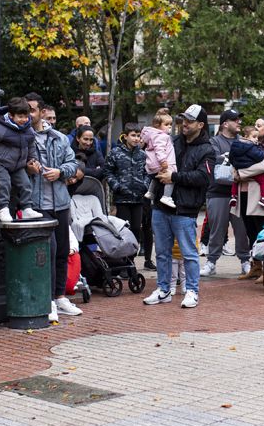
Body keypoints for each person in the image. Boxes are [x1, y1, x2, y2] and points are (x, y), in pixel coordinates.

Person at [142, 104, 214, 309]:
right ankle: (164, 290)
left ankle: (192, 291)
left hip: (185, 208)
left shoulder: (207, 149)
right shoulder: (172, 140)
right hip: (161, 205)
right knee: (162, 253)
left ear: (200, 124)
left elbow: (204, 177)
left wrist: (173, 176)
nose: (184, 124)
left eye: (189, 121)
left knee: (189, 253)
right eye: (183, 120)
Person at [23, 93, 83, 321]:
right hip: (37, 204)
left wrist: (60, 172)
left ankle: (60, 296)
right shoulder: (22, 138)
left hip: (60, 201)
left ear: (41, 112)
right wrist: (27, 169)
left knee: (62, 250)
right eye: (25, 110)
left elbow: (72, 164)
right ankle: (46, 300)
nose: (28, 115)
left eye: (32, 110)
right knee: (47, 251)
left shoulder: (58, 138)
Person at [0, 97, 43, 224]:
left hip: (18, 165)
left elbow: (30, 145)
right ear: (11, 115)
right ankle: (3, 208)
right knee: (5, 183)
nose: (24, 120)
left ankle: (26, 208)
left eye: (26, 116)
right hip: (1, 162)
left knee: (26, 184)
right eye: (20, 117)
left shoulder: (28, 129)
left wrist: (32, 159)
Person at [233, 117, 264, 277]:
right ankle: (256, 266)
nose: (256, 128)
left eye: (259, 125)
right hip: (245, 195)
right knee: (250, 232)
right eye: (255, 125)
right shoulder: (248, 145)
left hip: (262, 197)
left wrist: (240, 174)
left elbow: (263, 166)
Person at [203, 109, 251, 278]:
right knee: (217, 229)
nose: (239, 122)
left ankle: (245, 261)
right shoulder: (213, 141)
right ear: (225, 123)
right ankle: (211, 262)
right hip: (217, 192)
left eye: (239, 119)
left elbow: (249, 162)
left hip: (239, 192)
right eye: (235, 120)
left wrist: (231, 160)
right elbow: (216, 164)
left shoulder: (244, 141)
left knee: (242, 230)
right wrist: (238, 162)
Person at [105, 123, 154, 270]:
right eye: (133, 135)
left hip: (138, 199)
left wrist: (144, 185)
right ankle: (123, 262)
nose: (136, 138)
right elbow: (108, 172)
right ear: (125, 136)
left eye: (138, 136)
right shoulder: (115, 153)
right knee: (123, 230)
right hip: (122, 199)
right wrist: (117, 186)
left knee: (136, 230)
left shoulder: (142, 154)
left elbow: (148, 173)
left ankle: (131, 261)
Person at [140, 108, 177, 208]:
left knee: (156, 178)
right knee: (171, 177)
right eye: (166, 125)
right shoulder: (161, 136)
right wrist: (163, 161)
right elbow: (159, 149)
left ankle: (151, 192)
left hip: (152, 164)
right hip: (161, 163)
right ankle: (167, 196)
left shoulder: (153, 135)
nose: (169, 127)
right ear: (158, 126)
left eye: (170, 124)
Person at [229, 126, 264, 210]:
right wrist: (263, 152)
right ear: (246, 136)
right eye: (254, 137)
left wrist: (235, 165)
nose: (256, 139)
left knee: (235, 180)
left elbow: (231, 157)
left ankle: (233, 196)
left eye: (257, 138)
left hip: (238, 168)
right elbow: (259, 157)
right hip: (249, 167)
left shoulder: (235, 144)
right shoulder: (251, 147)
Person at [68, 126, 107, 206]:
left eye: (91, 140)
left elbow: (104, 170)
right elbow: (69, 171)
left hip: (94, 193)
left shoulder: (96, 153)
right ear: (78, 138)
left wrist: (81, 171)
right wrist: (94, 170)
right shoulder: (69, 153)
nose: (88, 143)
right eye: (85, 139)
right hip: (72, 193)